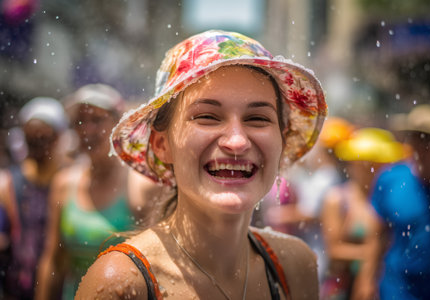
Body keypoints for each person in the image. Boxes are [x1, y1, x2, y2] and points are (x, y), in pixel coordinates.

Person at [76, 30, 328, 299]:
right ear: (162, 145)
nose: (237, 141)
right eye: (207, 116)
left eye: (257, 118)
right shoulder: (123, 282)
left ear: (282, 138)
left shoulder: (295, 266)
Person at [35, 84, 137, 300]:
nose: (87, 129)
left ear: (119, 125)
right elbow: (53, 260)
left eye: (97, 120)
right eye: (80, 121)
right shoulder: (64, 183)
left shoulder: (139, 185)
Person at [362, 104, 430, 300]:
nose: (421, 146)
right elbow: (377, 235)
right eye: (415, 138)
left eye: (429, 139)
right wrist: (366, 281)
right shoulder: (390, 180)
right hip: (398, 287)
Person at [320, 127, 406, 300]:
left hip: (388, 286)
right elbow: (333, 250)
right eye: (365, 164)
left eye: (378, 165)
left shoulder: (391, 201)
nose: (372, 170)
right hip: (344, 287)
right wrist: (372, 254)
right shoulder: (337, 199)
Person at [0, 97, 68, 299]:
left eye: (44, 135)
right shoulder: (8, 184)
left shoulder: (68, 183)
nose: (38, 141)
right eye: (32, 135)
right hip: (14, 288)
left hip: (59, 288)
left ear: (58, 137)